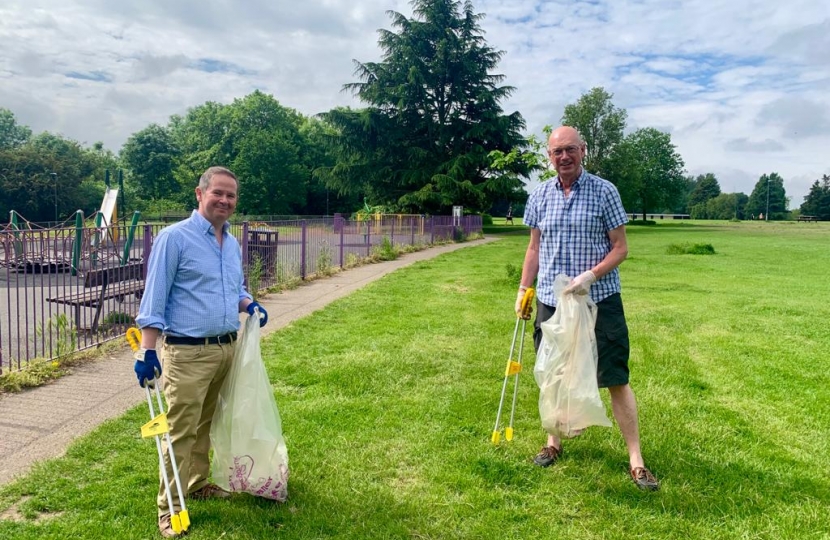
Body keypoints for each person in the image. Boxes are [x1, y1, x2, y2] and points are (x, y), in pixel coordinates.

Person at [514, 126, 659, 491]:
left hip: (599, 299)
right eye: (556, 151)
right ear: (549, 156)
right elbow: (534, 248)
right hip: (551, 298)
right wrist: (523, 289)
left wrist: (590, 276)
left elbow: (621, 247)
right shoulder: (541, 195)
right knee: (553, 373)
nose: (563, 157)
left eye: (570, 150)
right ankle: (553, 443)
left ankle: (636, 460)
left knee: (615, 377)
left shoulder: (604, 191)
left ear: (583, 151)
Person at [134, 166, 270, 537]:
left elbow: (234, 287)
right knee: (180, 431)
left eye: (231, 196)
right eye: (218, 193)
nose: (225, 201)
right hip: (188, 354)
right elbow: (154, 299)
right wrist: (146, 351)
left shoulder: (232, 241)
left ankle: (196, 483)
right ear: (200, 194)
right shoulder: (174, 239)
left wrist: (249, 304)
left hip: (226, 348)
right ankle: (170, 507)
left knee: (205, 425)